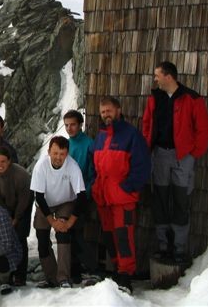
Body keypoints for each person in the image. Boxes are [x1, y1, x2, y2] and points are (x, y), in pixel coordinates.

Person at [142, 61, 208, 264]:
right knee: (161, 200)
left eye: (157, 75)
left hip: (183, 157)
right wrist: (148, 146)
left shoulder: (192, 98)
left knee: (181, 201)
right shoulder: (155, 98)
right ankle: (164, 247)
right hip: (160, 155)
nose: (155, 79)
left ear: (168, 76)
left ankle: (179, 249)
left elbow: (203, 128)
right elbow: (147, 123)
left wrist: (192, 153)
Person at [90, 96, 150, 295]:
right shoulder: (100, 136)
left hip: (122, 196)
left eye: (109, 110)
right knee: (109, 236)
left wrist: (128, 187)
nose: (106, 115)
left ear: (118, 110)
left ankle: (126, 274)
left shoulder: (131, 135)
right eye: (103, 112)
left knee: (124, 236)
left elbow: (142, 166)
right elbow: (94, 164)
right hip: (104, 196)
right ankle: (116, 269)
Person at [31, 136, 87, 289]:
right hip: (45, 203)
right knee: (42, 239)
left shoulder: (73, 166)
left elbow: (82, 196)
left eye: (62, 154)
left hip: (65, 202)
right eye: (55, 153)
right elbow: (39, 197)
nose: (58, 157)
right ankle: (51, 277)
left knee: (63, 234)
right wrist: (52, 221)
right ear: (49, 152)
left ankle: (63, 277)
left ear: (67, 153)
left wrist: (68, 222)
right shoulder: (41, 166)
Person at [0, 147, 32, 285]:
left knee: (20, 237)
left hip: (23, 205)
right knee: (3, 237)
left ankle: (20, 275)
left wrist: (16, 218)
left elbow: (24, 200)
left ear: (9, 161)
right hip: (4, 206)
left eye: (3, 161)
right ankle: (6, 273)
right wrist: (6, 218)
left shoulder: (21, 175)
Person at [63, 110, 99, 283]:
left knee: (78, 232)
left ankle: (90, 268)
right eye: (67, 125)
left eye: (73, 125)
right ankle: (74, 269)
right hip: (66, 196)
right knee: (69, 232)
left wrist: (86, 194)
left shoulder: (88, 144)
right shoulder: (67, 144)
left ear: (80, 125)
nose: (70, 128)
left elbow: (93, 173)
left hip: (81, 196)